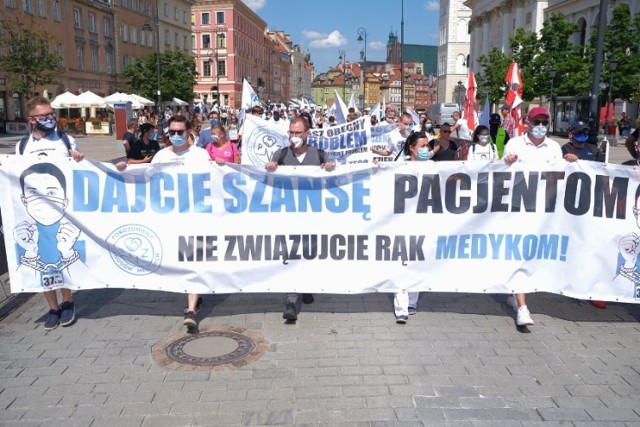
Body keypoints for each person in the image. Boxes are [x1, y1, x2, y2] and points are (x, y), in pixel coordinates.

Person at [16, 96, 85, 330]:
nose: (50, 119)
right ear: (32, 120)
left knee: (60, 254)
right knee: (41, 258)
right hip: (33, 210)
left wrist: (77, 158)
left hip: (61, 209)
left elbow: (79, 168)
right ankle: (52, 308)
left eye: (51, 114)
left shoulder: (65, 140)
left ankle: (67, 302)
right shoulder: (22, 146)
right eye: (44, 116)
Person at [265, 116, 336, 322]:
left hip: (312, 215)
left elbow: (331, 176)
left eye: (298, 133)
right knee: (291, 253)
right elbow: (269, 176)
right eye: (291, 133)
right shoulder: (282, 153)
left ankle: (305, 286)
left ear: (307, 134)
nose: (294, 136)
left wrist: (329, 166)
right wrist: (270, 166)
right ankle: (291, 300)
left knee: (309, 253)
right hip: (289, 214)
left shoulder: (319, 154)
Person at [502, 106, 562, 327]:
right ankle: (522, 307)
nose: (540, 126)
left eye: (544, 122)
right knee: (520, 251)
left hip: (543, 211)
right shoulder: (515, 143)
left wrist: (572, 162)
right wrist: (507, 161)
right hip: (518, 207)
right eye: (536, 122)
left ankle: (513, 293)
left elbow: (560, 176)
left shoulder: (554, 147)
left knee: (533, 253)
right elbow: (501, 173)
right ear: (527, 122)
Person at [152, 115, 211, 331]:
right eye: (172, 132)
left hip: (195, 218)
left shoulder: (200, 155)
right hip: (170, 220)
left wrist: (222, 167)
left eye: (180, 132)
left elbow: (214, 181)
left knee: (192, 261)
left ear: (189, 133)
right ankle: (197, 294)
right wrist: (123, 170)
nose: (176, 136)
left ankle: (191, 309)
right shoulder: (160, 156)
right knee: (178, 261)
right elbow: (146, 182)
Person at [392, 131, 439, 323]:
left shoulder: (433, 167)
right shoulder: (397, 167)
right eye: (422, 146)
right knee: (402, 262)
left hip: (424, 221)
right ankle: (401, 305)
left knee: (419, 261)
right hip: (402, 221)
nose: (427, 149)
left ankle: (412, 300)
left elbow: (438, 191)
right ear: (411, 148)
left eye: (428, 146)